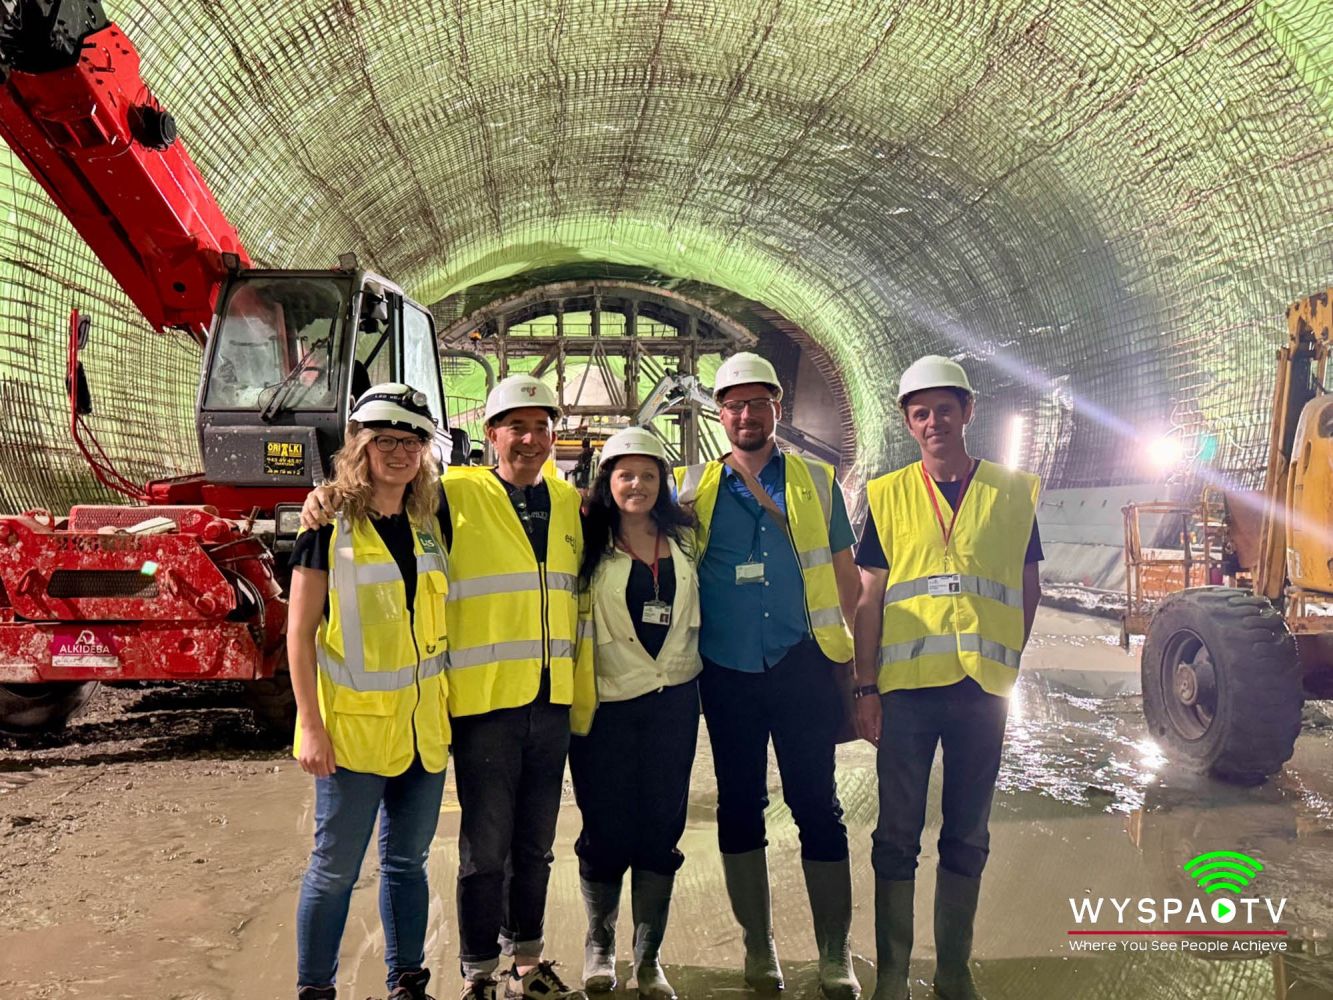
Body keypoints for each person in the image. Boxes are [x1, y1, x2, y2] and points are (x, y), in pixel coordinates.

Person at [302, 374, 594, 1000]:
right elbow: (304, 626)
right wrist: (322, 497)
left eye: (541, 427)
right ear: (490, 435)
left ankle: (520, 967)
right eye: (515, 426)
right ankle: (476, 973)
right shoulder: (450, 495)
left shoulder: (568, 502)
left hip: (540, 704)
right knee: (478, 851)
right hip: (476, 704)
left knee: (531, 848)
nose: (530, 439)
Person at [851, 356, 1042, 1000]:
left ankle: (953, 973)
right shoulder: (888, 495)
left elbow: (1027, 585)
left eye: (945, 409)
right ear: (908, 424)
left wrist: (1006, 657)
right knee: (896, 835)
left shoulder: (1012, 493)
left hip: (981, 691)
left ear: (968, 412)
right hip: (907, 693)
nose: (934, 421)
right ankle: (894, 975)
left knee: (967, 832)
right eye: (921, 413)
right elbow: (869, 599)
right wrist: (865, 686)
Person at [675, 351, 861, 1000]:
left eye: (758, 403)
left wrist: (854, 669)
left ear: (776, 408)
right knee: (739, 807)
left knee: (817, 806)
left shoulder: (818, 481)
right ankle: (759, 945)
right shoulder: (691, 488)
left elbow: (846, 578)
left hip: (801, 665)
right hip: (726, 673)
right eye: (733, 405)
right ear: (718, 414)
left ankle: (834, 951)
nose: (746, 415)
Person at [289, 383, 451, 1000]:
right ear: (360, 446)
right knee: (335, 870)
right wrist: (310, 726)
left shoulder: (431, 521)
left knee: (407, 864)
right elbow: (299, 634)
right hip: (353, 734)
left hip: (422, 733)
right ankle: (316, 989)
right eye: (385, 440)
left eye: (412, 441)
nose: (400, 452)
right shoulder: (327, 526)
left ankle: (407, 981)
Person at [571, 427, 701, 1000]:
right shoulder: (584, 537)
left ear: (663, 482)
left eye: (649, 475)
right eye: (626, 474)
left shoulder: (688, 538)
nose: (637, 485)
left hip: (674, 698)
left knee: (661, 828)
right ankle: (600, 946)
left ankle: (648, 959)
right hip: (607, 702)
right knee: (605, 829)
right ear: (608, 480)